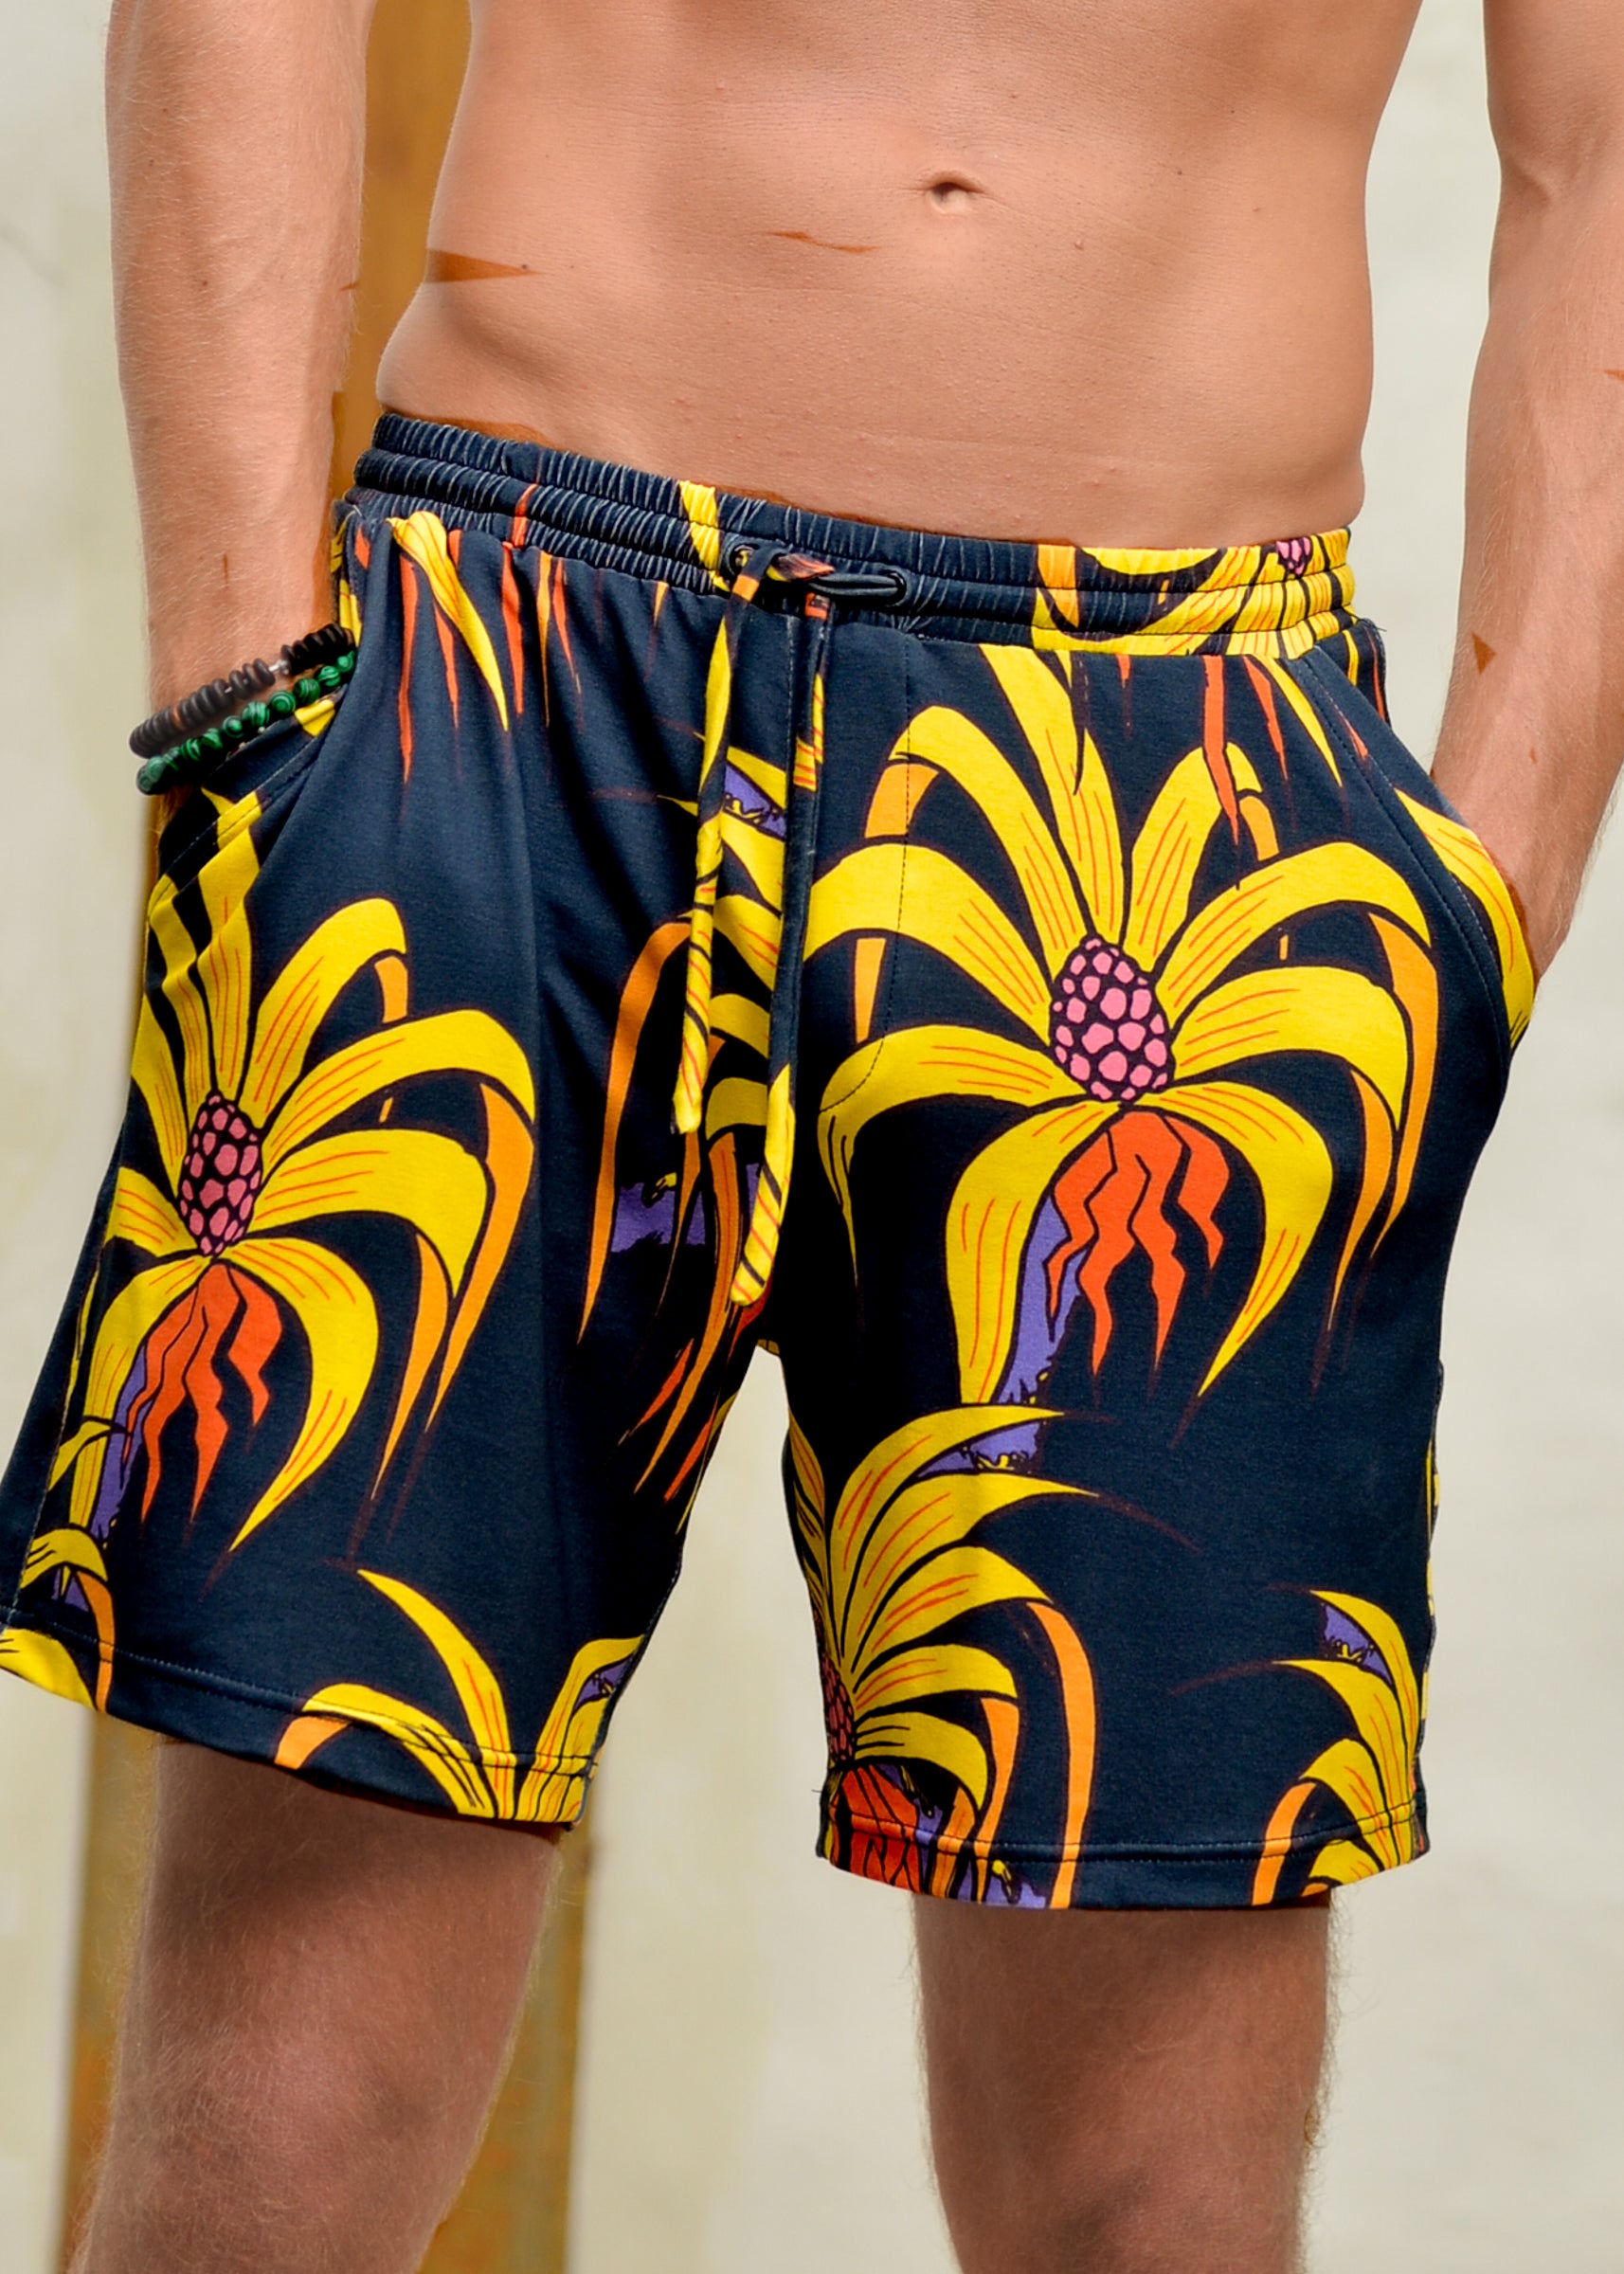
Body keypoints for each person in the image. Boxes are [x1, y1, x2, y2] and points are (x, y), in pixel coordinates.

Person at [2, 0, 1620, 2265]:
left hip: (1177, 800)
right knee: (271, 2148)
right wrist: (242, 691)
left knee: (1145, 2214)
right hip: (506, 685)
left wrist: (1480, 900)